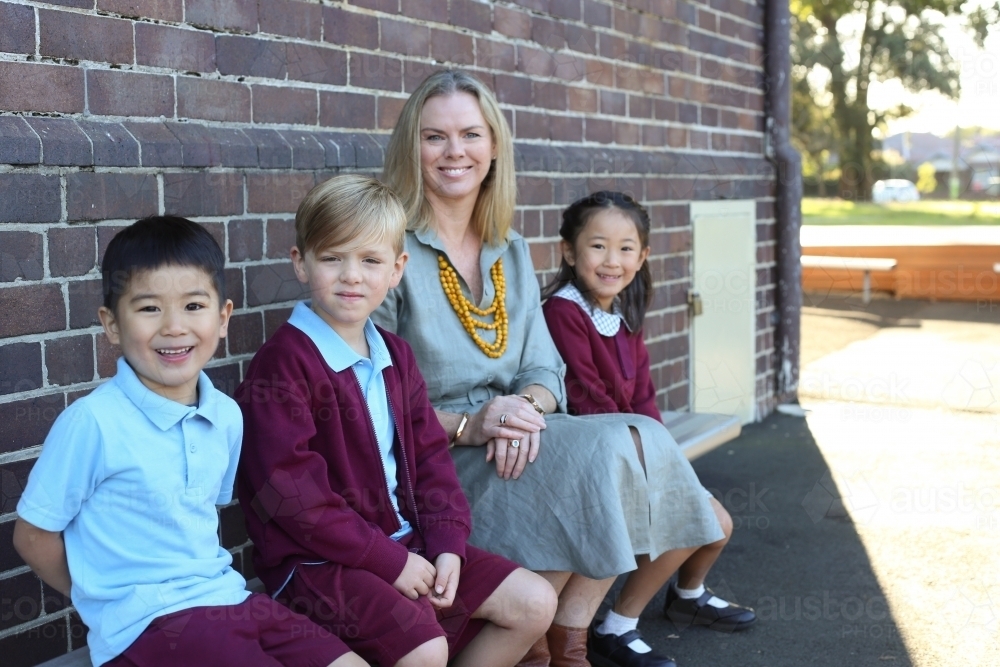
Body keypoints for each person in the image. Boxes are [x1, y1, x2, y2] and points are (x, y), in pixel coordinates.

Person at [374, 68, 733, 667]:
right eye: (434, 137)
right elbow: (372, 396)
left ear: (494, 147)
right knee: (604, 451)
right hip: (436, 451)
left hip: (517, 435)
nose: (455, 151)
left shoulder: (508, 249)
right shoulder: (388, 246)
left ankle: (567, 633)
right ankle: (552, 644)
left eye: (471, 134)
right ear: (411, 147)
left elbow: (544, 367)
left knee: (638, 434)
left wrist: (523, 411)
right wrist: (472, 425)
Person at [235, 174, 557, 667]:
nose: (352, 276)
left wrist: (448, 542)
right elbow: (292, 498)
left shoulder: (396, 356)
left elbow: (430, 456)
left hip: (404, 541)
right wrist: (391, 562)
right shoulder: (282, 366)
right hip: (315, 563)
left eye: (370, 260)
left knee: (535, 602)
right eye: (332, 258)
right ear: (300, 263)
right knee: (426, 650)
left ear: (396, 269)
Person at [13, 217, 365, 667]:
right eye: (149, 308)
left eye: (194, 306)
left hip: (228, 597)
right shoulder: (92, 423)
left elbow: (200, 517)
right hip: (152, 624)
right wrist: (104, 598)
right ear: (112, 325)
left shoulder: (226, 415)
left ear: (223, 319)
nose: (174, 327)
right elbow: (32, 535)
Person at [541, 191, 758, 639]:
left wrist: (665, 457)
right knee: (695, 523)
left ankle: (688, 597)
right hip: (594, 457)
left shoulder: (621, 312)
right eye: (598, 245)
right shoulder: (563, 312)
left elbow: (643, 397)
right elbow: (587, 398)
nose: (611, 260)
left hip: (633, 446)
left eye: (625, 248)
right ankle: (617, 625)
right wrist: (649, 464)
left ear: (643, 256)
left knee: (718, 525)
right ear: (568, 250)